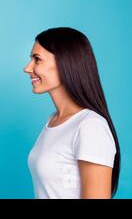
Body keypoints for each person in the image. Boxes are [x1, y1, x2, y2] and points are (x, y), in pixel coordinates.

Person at [24, 27, 120, 199]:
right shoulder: (53, 121)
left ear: (64, 63)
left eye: (37, 59)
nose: (27, 68)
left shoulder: (90, 126)